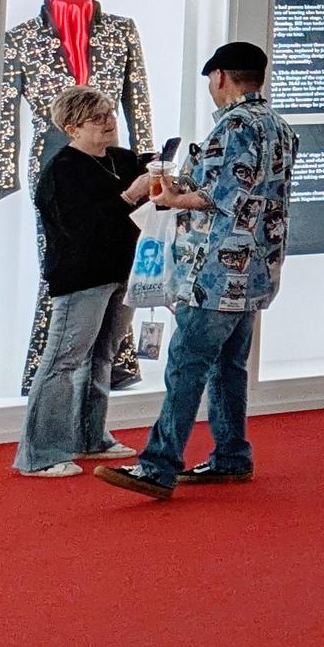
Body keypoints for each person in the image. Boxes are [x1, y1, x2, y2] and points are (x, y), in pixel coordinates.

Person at [101, 42, 298, 501]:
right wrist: (185, 185)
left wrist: (168, 197)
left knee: (187, 366)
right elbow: (249, 191)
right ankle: (231, 455)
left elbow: (221, 196)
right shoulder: (279, 127)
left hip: (213, 272)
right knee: (228, 366)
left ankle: (158, 464)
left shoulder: (234, 127)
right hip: (256, 269)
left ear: (221, 78)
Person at [16, 86, 161, 477]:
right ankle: (40, 454)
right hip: (81, 277)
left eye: (109, 113)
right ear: (71, 127)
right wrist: (131, 194)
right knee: (62, 362)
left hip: (123, 272)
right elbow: (81, 229)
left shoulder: (122, 158)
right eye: (97, 117)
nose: (109, 121)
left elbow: (146, 208)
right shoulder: (60, 170)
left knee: (102, 358)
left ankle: (89, 437)